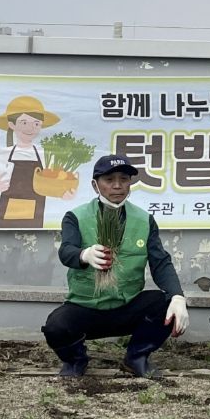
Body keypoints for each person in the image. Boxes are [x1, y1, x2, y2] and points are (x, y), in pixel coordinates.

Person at [42, 154, 189, 378]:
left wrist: (178, 296)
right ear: (95, 185)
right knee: (56, 327)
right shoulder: (76, 217)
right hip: (86, 307)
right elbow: (66, 251)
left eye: (124, 179)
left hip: (126, 305)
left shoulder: (143, 220)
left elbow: (160, 262)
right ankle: (76, 360)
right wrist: (84, 254)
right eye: (109, 180)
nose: (117, 185)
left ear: (130, 183)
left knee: (165, 303)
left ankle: (136, 357)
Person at [0, 96, 76, 228]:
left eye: (36, 124)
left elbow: (54, 186)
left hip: (35, 222)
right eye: (24, 123)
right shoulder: (2, 155)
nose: (31, 128)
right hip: (4, 224)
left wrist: (65, 195)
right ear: (12, 125)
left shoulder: (45, 155)